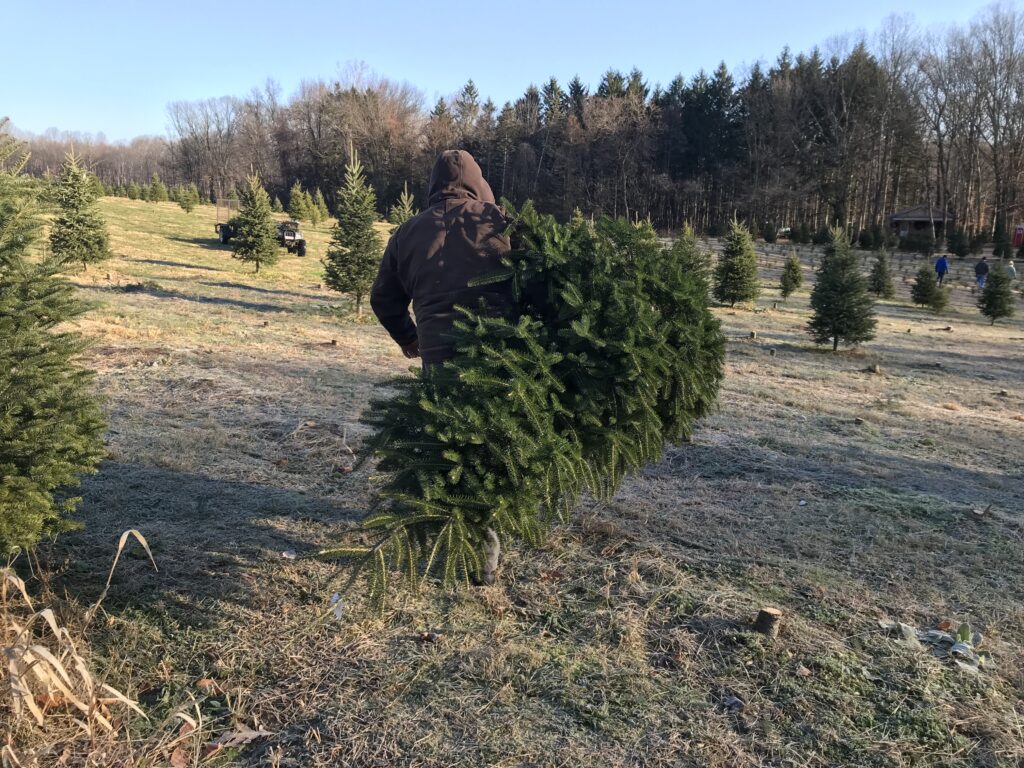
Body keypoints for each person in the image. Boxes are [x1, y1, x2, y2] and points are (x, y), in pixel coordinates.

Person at [370, 149, 514, 585]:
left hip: (439, 357)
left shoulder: (408, 232)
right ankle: (484, 556)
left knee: (451, 446)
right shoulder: (503, 224)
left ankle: (447, 531)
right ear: (478, 179)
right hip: (497, 357)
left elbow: (384, 298)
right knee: (491, 448)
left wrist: (410, 337)